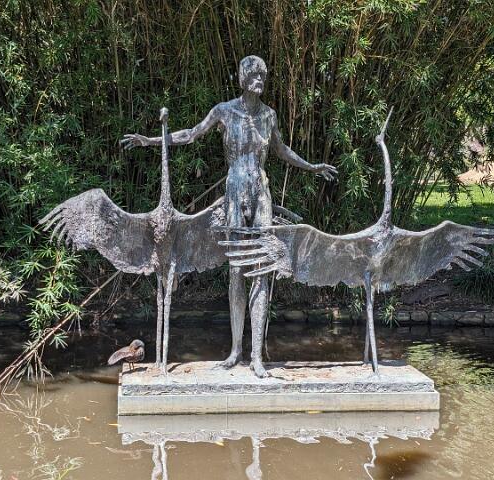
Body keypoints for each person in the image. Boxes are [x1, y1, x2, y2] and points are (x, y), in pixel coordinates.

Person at [121, 55, 337, 377]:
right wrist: (152, 140)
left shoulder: (269, 115)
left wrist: (313, 166)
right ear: (242, 78)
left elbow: (281, 150)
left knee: (261, 268)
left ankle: (257, 357)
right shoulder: (224, 110)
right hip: (235, 189)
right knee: (236, 269)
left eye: (263, 75)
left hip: (260, 191)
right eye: (254, 74)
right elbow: (191, 134)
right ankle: (236, 351)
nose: (260, 80)